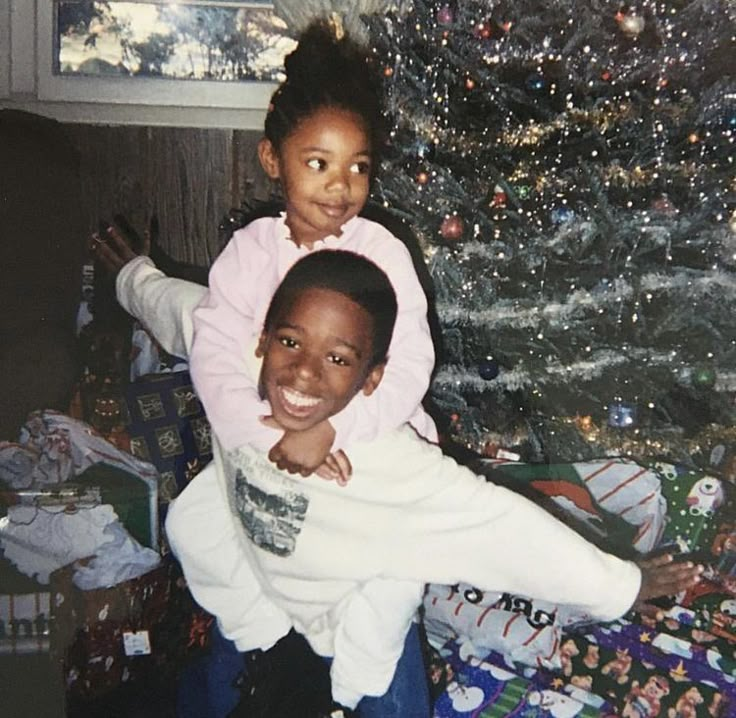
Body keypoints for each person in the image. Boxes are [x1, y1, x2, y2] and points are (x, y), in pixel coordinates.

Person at [101, 241, 704, 717]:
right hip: (255, 582)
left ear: (370, 379)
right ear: (260, 340)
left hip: (356, 608)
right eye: (290, 341)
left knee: (384, 687)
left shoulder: (391, 466)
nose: (304, 372)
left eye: (338, 359)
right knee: (222, 688)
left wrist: (620, 584)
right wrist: (133, 275)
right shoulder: (228, 364)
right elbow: (183, 311)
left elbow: (505, 528)